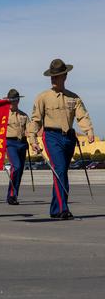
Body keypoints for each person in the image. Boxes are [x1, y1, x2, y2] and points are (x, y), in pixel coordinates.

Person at [28, 59, 94, 219]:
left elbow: (82, 116)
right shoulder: (43, 97)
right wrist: (32, 139)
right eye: (52, 76)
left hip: (69, 138)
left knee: (62, 171)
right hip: (51, 137)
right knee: (60, 170)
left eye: (56, 76)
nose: (53, 79)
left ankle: (55, 209)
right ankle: (62, 209)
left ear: (64, 76)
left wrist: (89, 131)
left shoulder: (74, 98)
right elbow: (36, 120)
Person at [5, 89, 29, 205]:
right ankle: (10, 194)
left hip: (22, 143)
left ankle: (14, 195)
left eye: (14, 100)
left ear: (18, 100)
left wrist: (34, 142)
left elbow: (29, 130)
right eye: (10, 100)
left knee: (20, 171)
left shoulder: (24, 115)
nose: (12, 102)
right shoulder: (3, 115)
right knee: (16, 167)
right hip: (10, 143)